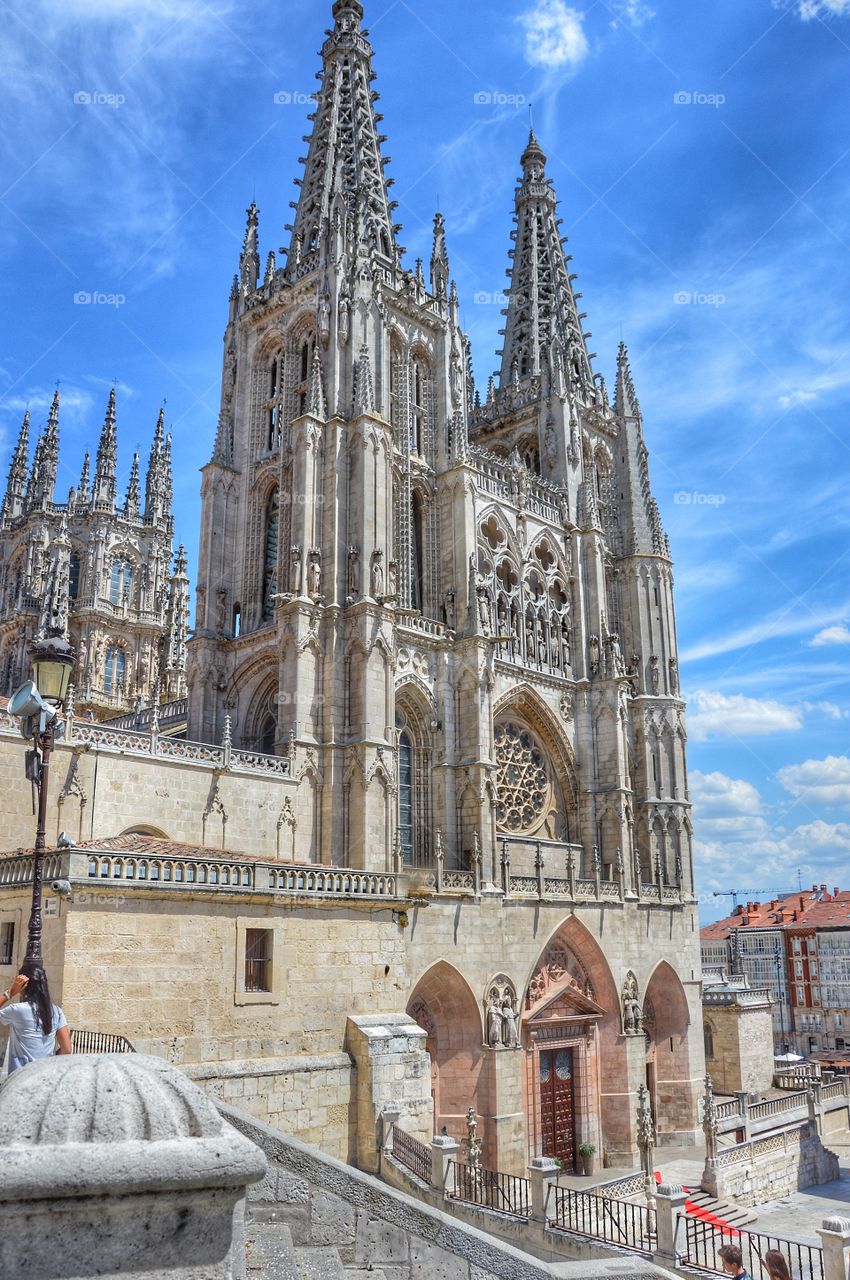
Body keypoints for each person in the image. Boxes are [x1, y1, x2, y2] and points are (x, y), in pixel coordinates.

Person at [0, 960, 72, 1074]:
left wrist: (10, 992)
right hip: (45, 1074)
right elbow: (67, 1050)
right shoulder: (57, 1011)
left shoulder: (18, 1010)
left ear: (22, 986)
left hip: (20, 1076)